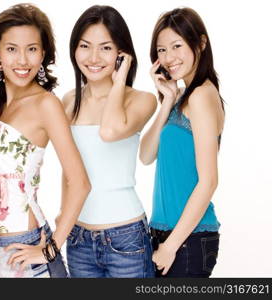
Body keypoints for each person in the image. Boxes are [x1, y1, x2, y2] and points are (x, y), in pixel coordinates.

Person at [0, 3, 90, 278]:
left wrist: (50, 250)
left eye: (31, 49)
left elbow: (80, 182)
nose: (22, 61)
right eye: (11, 49)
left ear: (43, 54)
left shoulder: (46, 104)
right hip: (2, 251)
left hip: (30, 249)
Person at [62, 5, 157, 278]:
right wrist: (63, 217)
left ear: (121, 53)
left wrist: (119, 81)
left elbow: (110, 131)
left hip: (125, 237)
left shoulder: (141, 99)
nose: (93, 57)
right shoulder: (68, 101)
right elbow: (69, 171)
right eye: (84, 46)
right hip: (78, 237)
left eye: (105, 48)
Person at [139, 7, 225, 277]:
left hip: (188, 239)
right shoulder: (184, 96)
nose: (168, 57)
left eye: (176, 46)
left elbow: (209, 180)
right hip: (169, 234)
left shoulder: (201, 95)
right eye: (161, 50)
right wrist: (167, 101)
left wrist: (171, 246)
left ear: (200, 43)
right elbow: (146, 155)